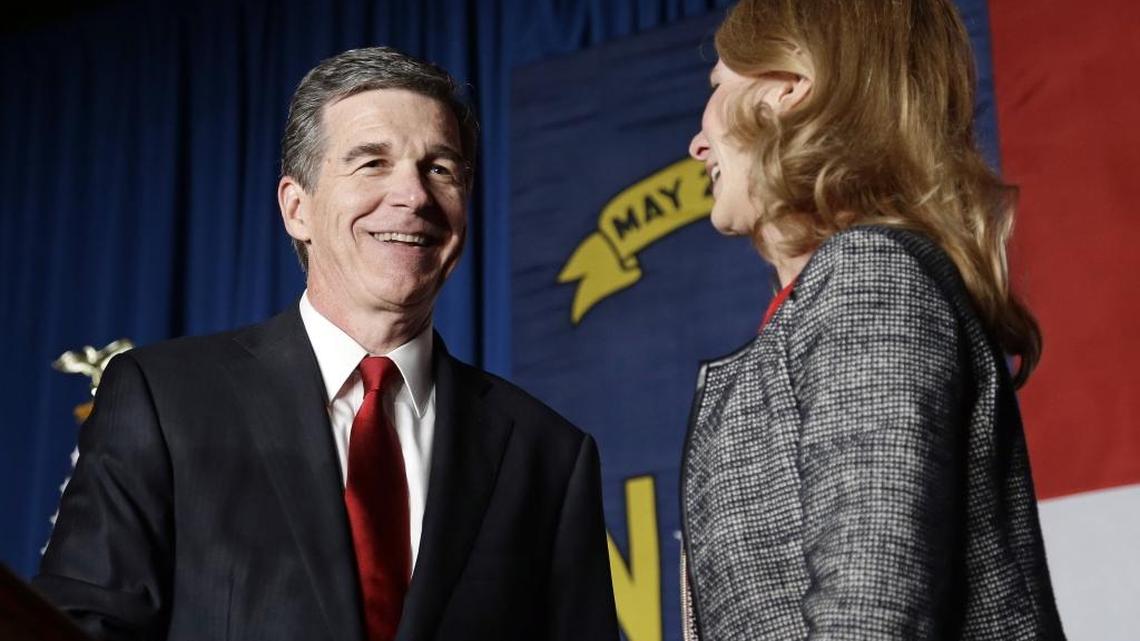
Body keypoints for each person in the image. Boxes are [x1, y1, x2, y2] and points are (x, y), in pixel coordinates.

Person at [34, 47, 619, 641]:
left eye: (441, 169)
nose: (413, 196)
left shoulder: (549, 455)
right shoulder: (165, 400)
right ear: (297, 208)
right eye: (372, 163)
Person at [679, 1, 1066, 639]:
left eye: (718, 88)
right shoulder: (825, 299)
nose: (697, 144)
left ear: (785, 91)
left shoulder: (869, 276)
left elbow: (873, 601)